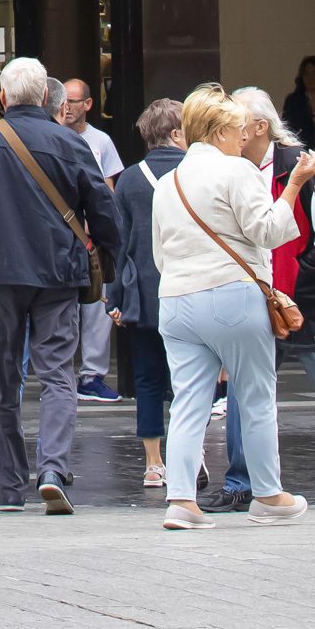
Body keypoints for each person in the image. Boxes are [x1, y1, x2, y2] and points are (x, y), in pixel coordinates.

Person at [0, 56, 119, 514]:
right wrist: (108, 259)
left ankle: (11, 485)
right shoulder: (71, 143)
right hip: (58, 272)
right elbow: (104, 211)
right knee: (58, 374)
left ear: (5, 98)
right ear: (48, 98)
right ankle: (52, 469)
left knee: (4, 376)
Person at [151, 84, 313, 530]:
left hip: (177, 301)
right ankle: (268, 495)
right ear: (220, 130)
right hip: (232, 295)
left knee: (187, 403)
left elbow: (160, 254)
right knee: (257, 396)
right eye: (238, 130)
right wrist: (294, 185)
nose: (244, 139)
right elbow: (269, 231)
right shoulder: (237, 172)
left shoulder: (168, 184)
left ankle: (181, 500)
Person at [201, 86, 315, 513]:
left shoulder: (298, 164)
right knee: (245, 392)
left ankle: (244, 480)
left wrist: (306, 278)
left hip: (305, 300)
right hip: (255, 297)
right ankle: (240, 482)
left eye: (237, 124)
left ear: (260, 127)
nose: (230, 132)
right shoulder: (230, 168)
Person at [106, 99, 186, 488]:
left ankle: (154, 463)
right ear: (176, 132)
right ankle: (192, 454)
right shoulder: (197, 172)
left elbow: (120, 244)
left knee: (148, 379)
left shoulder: (131, 179)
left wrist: (116, 297)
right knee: (192, 379)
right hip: (191, 288)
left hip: (145, 295)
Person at [61, 78, 125, 404]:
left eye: (75, 101)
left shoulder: (101, 141)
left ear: (88, 104)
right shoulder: (52, 137)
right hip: (60, 237)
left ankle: (92, 375)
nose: (68, 107)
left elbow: (109, 189)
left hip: (91, 239)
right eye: (65, 100)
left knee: (98, 307)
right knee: (61, 308)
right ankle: (60, 375)